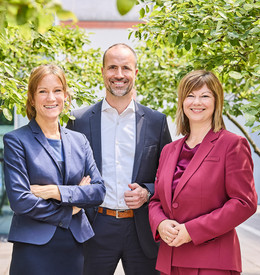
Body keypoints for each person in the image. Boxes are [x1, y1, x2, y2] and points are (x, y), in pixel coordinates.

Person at [67, 43, 172, 275]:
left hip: (141, 228)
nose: (119, 75)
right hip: (95, 226)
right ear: (103, 72)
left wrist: (147, 191)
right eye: (112, 67)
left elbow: (169, 176)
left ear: (135, 73)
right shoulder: (78, 120)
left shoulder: (157, 121)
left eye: (126, 68)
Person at [148, 70, 258, 275]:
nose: (196, 102)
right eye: (190, 95)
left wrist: (191, 231)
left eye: (205, 96)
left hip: (212, 262)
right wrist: (160, 223)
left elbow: (244, 202)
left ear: (216, 101)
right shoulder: (169, 150)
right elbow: (156, 200)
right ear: (182, 101)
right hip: (169, 260)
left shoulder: (232, 144)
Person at [3, 64, 106, 275]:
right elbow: (21, 201)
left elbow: (98, 191)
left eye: (57, 90)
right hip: (33, 247)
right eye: (43, 91)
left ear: (65, 96)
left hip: (75, 245)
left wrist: (54, 191)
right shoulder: (16, 141)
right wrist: (71, 208)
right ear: (32, 98)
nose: (51, 98)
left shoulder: (80, 141)